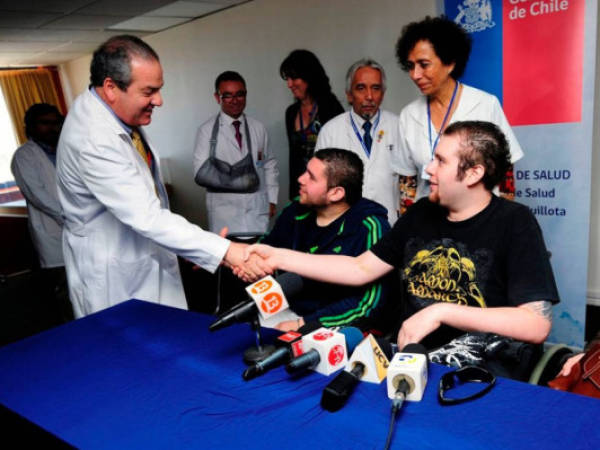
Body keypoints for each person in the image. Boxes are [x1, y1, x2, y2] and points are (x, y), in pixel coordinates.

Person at [245, 121, 559, 379]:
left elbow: (535, 324)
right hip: (407, 365)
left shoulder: (515, 222)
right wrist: (280, 257)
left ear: (474, 173)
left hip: (474, 377)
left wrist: (440, 312)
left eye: (441, 161)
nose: (427, 170)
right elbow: (359, 269)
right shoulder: (422, 213)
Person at [56, 35, 267, 318]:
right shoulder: (93, 138)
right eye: (149, 92)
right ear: (110, 88)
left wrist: (193, 246)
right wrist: (226, 251)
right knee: (129, 354)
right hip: (114, 274)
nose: (159, 100)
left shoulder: (118, 118)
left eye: (159, 89)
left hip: (142, 252)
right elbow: (148, 216)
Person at [395, 15, 523, 213]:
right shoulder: (408, 115)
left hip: (480, 218)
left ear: (450, 63)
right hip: (428, 220)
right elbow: (407, 183)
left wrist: (505, 221)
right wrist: (406, 228)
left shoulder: (484, 104)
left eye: (424, 64)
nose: (415, 75)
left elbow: (506, 174)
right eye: (410, 66)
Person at [260, 148, 392, 332]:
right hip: (286, 312)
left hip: (337, 326)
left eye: (311, 177)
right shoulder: (295, 210)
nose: (300, 179)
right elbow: (265, 250)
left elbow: (367, 305)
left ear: (336, 193)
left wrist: (303, 324)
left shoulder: (371, 227)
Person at [315, 59, 402, 225]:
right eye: (361, 88)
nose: (369, 96)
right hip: (343, 227)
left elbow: (408, 184)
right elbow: (320, 186)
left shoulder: (399, 126)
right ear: (349, 94)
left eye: (376, 88)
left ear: (382, 94)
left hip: (390, 226)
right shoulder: (330, 131)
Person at [193, 71, 279, 236]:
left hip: (257, 211)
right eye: (227, 95)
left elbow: (270, 164)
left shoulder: (258, 128)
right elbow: (200, 173)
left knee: (259, 258)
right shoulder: (206, 131)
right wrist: (243, 180)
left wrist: (272, 199)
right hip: (225, 217)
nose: (235, 100)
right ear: (217, 98)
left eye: (240, 94)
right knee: (229, 260)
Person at [11, 103, 73, 322]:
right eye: (45, 123)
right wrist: (72, 216)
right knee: (65, 291)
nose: (53, 128)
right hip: (54, 232)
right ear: (31, 127)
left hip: (82, 228)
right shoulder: (24, 156)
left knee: (87, 287)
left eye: (56, 122)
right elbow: (37, 194)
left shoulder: (66, 150)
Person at [280, 49, 344, 200]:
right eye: (287, 78)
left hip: (327, 193)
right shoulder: (291, 113)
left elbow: (340, 157)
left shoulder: (331, 108)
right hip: (300, 193)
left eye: (294, 78)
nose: (289, 84)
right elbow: (294, 159)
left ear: (309, 77)